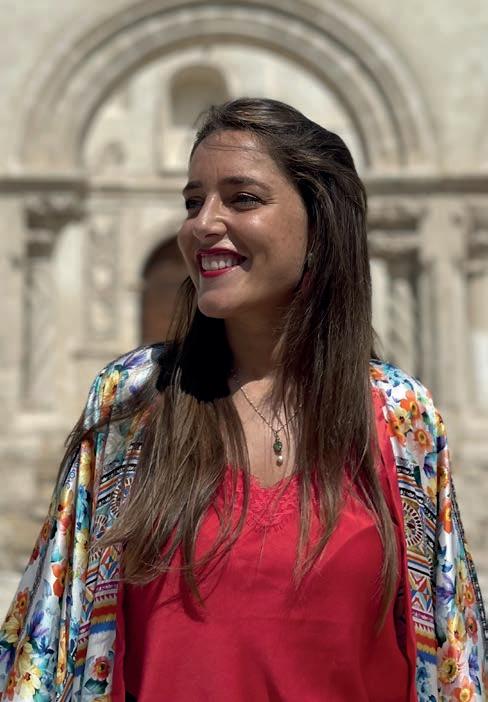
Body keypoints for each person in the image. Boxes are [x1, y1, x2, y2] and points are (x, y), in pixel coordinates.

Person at [0, 97, 486, 702]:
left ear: (320, 225)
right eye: (193, 201)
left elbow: (453, 656)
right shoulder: (133, 400)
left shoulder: (401, 417)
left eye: (243, 198)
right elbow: (48, 637)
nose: (203, 223)